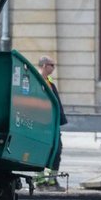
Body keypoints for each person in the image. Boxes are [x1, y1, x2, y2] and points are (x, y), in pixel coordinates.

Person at [35, 55, 67, 190]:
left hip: (52, 125)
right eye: (51, 65)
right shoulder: (36, 82)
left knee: (57, 150)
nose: (53, 68)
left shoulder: (49, 82)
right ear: (44, 66)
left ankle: (52, 181)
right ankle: (41, 181)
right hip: (42, 124)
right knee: (41, 152)